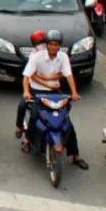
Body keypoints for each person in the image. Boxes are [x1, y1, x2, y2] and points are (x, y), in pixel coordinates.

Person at [22, 30, 88, 169]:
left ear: (60, 45)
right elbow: (27, 76)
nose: (53, 47)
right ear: (47, 45)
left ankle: (76, 155)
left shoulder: (63, 57)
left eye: (56, 44)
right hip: (37, 92)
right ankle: (28, 140)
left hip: (55, 92)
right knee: (34, 116)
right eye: (51, 44)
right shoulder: (37, 57)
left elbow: (69, 75)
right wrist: (27, 91)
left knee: (67, 123)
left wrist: (74, 92)